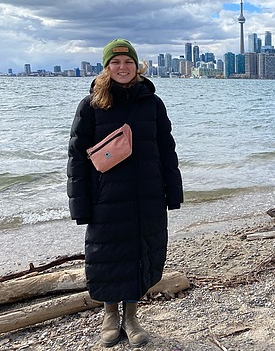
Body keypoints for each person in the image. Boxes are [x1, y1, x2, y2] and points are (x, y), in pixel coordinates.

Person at [67, 38, 183, 348]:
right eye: (115, 63)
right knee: (108, 255)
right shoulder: (91, 105)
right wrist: (80, 205)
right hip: (106, 198)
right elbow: (76, 158)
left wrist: (173, 193)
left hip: (147, 196)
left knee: (141, 256)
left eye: (128, 62)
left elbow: (166, 150)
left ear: (137, 66)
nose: (122, 68)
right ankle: (109, 314)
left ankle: (131, 316)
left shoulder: (153, 104)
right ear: (106, 68)